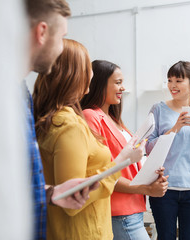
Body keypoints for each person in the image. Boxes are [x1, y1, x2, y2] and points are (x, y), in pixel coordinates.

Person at [33, 39, 145, 240]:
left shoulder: (55, 119)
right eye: (87, 67)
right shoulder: (68, 125)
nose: (92, 74)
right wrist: (122, 161)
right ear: (74, 75)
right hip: (83, 232)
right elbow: (72, 200)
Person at [24, 1, 101, 239]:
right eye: (62, 36)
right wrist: (115, 171)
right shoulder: (68, 124)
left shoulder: (23, 99)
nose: (60, 49)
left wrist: (50, 193)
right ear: (42, 32)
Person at [80, 60, 169, 240]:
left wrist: (151, 173)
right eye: (118, 82)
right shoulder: (91, 116)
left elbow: (126, 166)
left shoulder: (113, 118)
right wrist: (147, 188)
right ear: (99, 83)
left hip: (132, 209)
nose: (123, 88)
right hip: (119, 211)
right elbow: (102, 172)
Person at [146, 61, 190, 239]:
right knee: (165, 237)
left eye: (178, 81)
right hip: (163, 187)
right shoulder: (158, 109)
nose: (172, 86)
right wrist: (175, 127)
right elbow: (149, 147)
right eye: (170, 80)